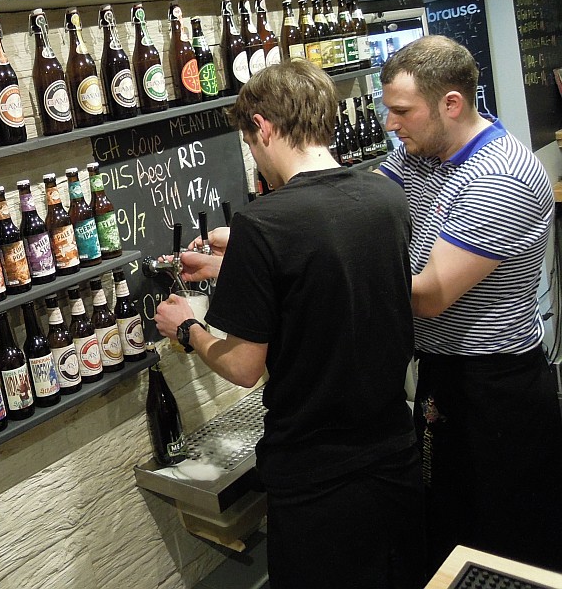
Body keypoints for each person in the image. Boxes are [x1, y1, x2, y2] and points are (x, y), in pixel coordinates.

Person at [155, 59, 425, 589]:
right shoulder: (387, 198)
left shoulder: (262, 223)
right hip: (394, 451)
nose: (255, 157)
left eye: (249, 143)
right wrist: (236, 266)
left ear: (263, 127)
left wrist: (188, 327)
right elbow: (329, 274)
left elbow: (243, 367)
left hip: (314, 476)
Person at [377, 34, 562, 574]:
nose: (391, 124)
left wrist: (329, 276)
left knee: (505, 550)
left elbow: (431, 295)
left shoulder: (500, 174)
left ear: (451, 104)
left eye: (402, 111)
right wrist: (258, 244)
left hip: (495, 389)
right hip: (442, 374)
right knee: (446, 531)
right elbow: (359, 206)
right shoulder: (419, 155)